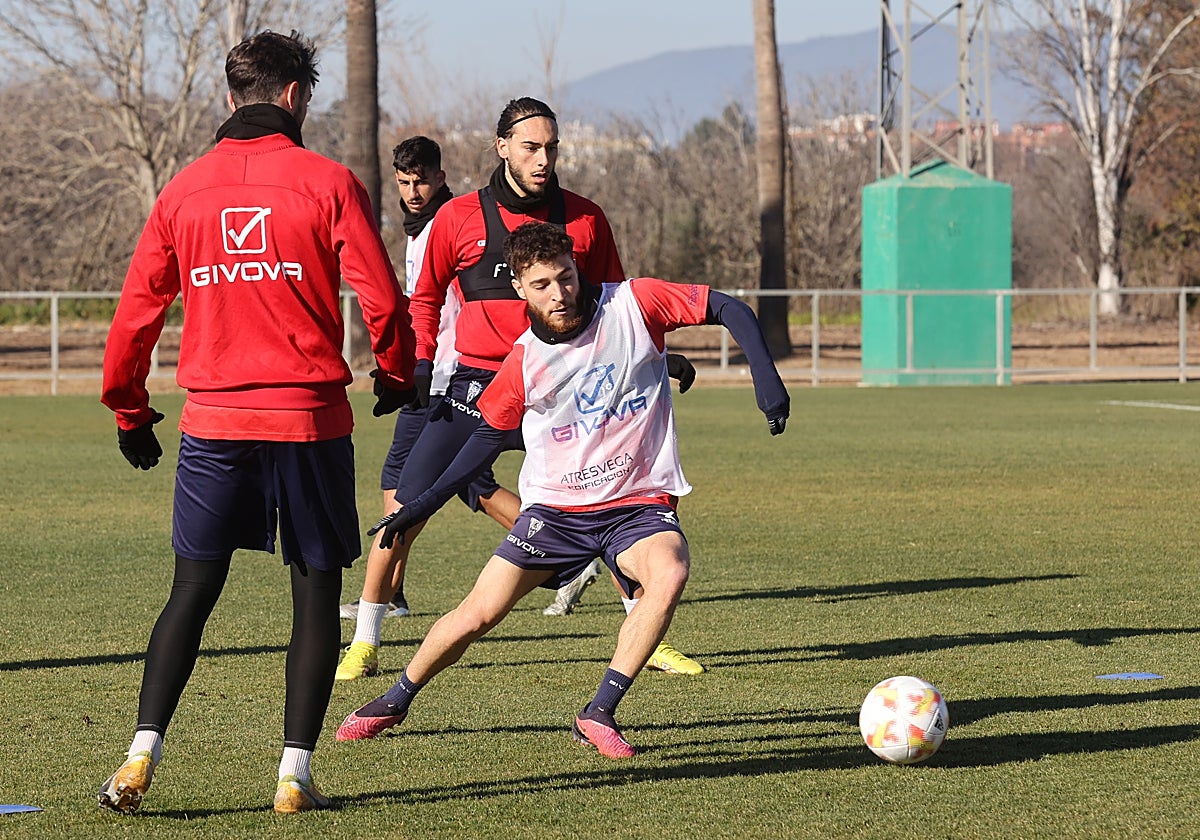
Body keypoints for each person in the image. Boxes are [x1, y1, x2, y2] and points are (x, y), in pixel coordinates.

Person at [97, 30, 416, 815]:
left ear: (232, 97)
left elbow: (136, 316)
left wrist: (130, 412)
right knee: (314, 595)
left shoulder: (182, 191)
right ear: (296, 96)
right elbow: (381, 298)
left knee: (192, 590)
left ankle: (140, 755)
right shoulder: (328, 180)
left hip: (213, 425)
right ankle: (293, 778)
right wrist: (396, 373)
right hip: (306, 423)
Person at [334, 221, 789, 758]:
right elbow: (481, 444)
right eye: (543, 284)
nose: (560, 292)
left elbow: (729, 308)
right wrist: (422, 505)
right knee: (478, 614)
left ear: (577, 269)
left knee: (669, 572)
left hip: (637, 504)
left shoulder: (635, 303)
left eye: (566, 277)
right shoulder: (524, 362)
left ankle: (598, 712)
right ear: (521, 290)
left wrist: (767, 379)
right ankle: (395, 698)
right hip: (557, 511)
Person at [334, 96, 702, 682]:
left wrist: (662, 354)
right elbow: (425, 297)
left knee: (618, 499)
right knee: (406, 502)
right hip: (477, 387)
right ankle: (365, 638)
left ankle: (646, 633)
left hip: (566, 385)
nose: (544, 159)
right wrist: (423, 362)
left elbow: (618, 304)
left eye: (552, 148)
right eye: (531, 147)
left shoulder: (585, 218)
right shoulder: (455, 218)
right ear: (501, 146)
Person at [335, 136, 523, 679]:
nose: (413, 191)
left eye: (422, 180)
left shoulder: (455, 223)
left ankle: (382, 610)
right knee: (444, 484)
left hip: (452, 381)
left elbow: (451, 304)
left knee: (415, 494)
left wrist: (422, 364)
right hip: (431, 377)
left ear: (442, 177)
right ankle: (379, 616)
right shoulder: (420, 227)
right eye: (404, 181)